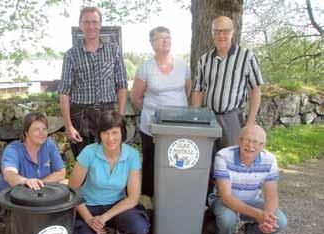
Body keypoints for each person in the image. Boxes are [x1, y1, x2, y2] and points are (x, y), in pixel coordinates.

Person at [69, 110, 149, 234]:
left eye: (115, 132)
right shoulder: (89, 152)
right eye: (105, 133)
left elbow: (133, 198)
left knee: (139, 228)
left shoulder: (132, 155)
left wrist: (103, 218)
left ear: (122, 132)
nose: (110, 138)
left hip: (116, 207)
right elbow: (72, 189)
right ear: (99, 134)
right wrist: (89, 219)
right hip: (88, 207)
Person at [58, 6, 128, 157]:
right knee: (84, 162)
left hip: (108, 113)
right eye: (87, 22)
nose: (91, 26)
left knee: (110, 160)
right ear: (80, 25)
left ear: (100, 24)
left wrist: (120, 119)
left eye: (94, 22)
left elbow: (122, 85)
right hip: (81, 115)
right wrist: (69, 126)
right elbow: (64, 92)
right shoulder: (71, 55)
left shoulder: (114, 51)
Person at [207, 124, 287, 234]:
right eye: (247, 140)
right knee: (228, 219)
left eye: (256, 142)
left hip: (251, 200)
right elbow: (226, 196)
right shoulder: (223, 156)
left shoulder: (270, 160)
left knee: (280, 221)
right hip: (223, 201)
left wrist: (266, 219)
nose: (250, 146)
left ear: (262, 146)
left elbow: (271, 196)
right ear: (239, 140)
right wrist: (258, 215)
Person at [130, 26, 191, 196]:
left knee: (177, 160)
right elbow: (136, 97)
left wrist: (174, 111)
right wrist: (155, 114)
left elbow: (186, 91)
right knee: (152, 163)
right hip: (151, 127)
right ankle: (149, 200)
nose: (165, 41)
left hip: (179, 126)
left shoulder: (182, 66)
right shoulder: (145, 68)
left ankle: (174, 196)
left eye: (168, 37)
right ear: (152, 43)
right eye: (160, 38)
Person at [192, 16, 263, 149]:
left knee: (231, 158)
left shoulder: (246, 56)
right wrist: (196, 118)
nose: (221, 35)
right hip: (209, 117)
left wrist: (250, 123)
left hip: (232, 118)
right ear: (212, 33)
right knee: (207, 159)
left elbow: (256, 90)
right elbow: (198, 90)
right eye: (217, 31)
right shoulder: (204, 59)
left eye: (225, 31)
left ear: (232, 32)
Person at [0, 112, 66, 194]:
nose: (41, 133)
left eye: (44, 129)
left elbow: (61, 173)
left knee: (66, 183)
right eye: (36, 129)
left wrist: (38, 183)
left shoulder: (49, 145)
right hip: (10, 196)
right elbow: (9, 174)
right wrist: (25, 181)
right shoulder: (13, 150)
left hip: (36, 193)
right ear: (26, 132)